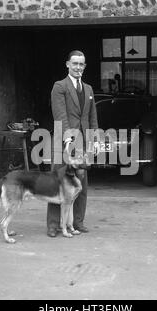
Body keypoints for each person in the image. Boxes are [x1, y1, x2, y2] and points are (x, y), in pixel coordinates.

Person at [46, 50, 98, 237]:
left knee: (80, 184)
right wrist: (68, 139)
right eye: (74, 63)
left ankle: (78, 221)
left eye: (81, 64)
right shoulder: (59, 86)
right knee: (57, 183)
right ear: (67, 64)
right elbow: (59, 115)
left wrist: (93, 140)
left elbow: (92, 117)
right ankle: (53, 225)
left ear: (84, 66)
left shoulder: (89, 89)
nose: (78, 67)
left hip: (83, 143)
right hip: (64, 142)